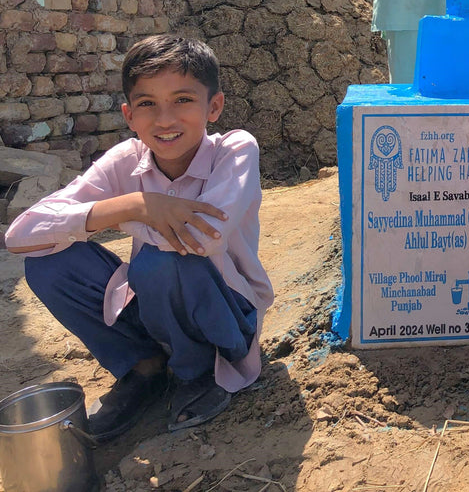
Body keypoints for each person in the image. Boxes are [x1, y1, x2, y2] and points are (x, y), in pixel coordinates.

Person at [4, 36, 273, 441]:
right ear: (130, 115)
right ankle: (144, 365)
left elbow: (202, 241)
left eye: (182, 99)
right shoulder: (125, 162)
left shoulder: (234, 151)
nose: (164, 119)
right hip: (153, 301)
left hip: (226, 316)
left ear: (212, 107)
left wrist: (123, 218)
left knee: (159, 262)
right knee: (49, 262)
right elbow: (21, 235)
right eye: (147, 104)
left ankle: (198, 372)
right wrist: (134, 205)